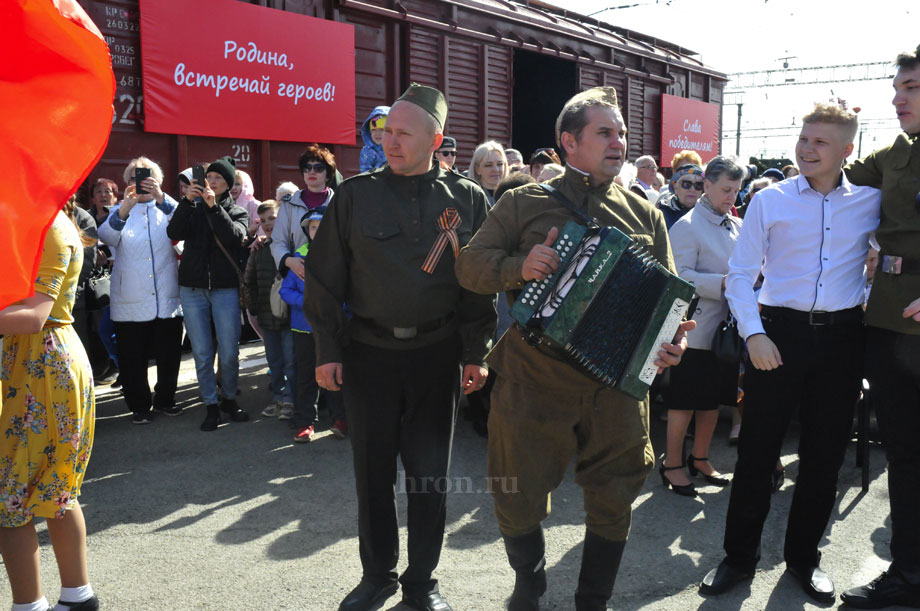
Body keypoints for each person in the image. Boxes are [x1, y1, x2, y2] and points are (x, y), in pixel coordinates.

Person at [455, 86, 694, 611]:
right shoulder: (522, 202)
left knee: (616, 495)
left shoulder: (645, 213)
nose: (619, 142)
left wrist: (671, 341)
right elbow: (469, 268)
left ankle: (593, 601)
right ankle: (529, 585)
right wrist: (519, 267)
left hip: (616, 386)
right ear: (570, 142)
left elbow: (671, 297)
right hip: (533, 379)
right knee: (515, 493)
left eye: (623, 133)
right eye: (605, 133)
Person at [303, 83, 495, 611]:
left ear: (435, 139)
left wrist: (477, 352)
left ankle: (421, 583)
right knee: (373, 474)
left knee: (429, 477)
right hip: (369, 354)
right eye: (387, 132)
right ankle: (378, 576)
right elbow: (323, 281)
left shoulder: (467, 198)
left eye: (404, 133)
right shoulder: (355, 195)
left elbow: (477, 285)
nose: (391, 141)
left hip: (437, 355)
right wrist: (327, 351)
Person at [700, 103, 881, 603]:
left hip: (843, 340)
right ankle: (738, 559)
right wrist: (754, 334)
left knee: (824, 459)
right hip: (776, 333)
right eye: (803, 138)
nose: (806, 148)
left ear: (848, 150)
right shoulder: (770, 200)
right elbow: (740, 275)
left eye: (821, 142)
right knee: (758, 455)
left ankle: (804, 560)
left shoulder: (870, 201)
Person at [840, 45, 920, 610]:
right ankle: (910, 571)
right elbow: (832, 175)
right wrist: (835, 126)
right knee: (905, 453)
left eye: (912, 87)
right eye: (897, 87)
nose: (898, 97)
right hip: (889, 322)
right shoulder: (893, 153)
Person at [0, 204, 99, 611]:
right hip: (44, 361)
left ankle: (30, 605)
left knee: (12, 495)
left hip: (41, 362)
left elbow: (35, 315)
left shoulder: (50, 227)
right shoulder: (48, 220)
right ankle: (77, 598)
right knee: (55, 489)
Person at [659, 156, 745, 497]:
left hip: (726, 330)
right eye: (726, 189)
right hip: (694, 330)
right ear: (706, 185)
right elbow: (679, 277)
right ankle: (672, 464)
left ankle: (700, 458)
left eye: (736, 191)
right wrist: (723, 284)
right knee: (683, 402)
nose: (732, 198)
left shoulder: (734, 225)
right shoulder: (687, 225)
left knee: (712, 401)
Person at [166, 156, 250, 431]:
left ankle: (229, 398)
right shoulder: (190, 207)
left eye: (217, 179)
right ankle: (211, 404)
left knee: (228, 352)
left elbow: (236, 238)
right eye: (207, 178)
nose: (210, 183)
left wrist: (214, 208)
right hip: (192, 288)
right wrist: (188, 203)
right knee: (201, 352)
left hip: (224, 289)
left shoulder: (237, 211)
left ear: (227, 186)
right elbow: (174, 231)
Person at [97, 157, 183, 424]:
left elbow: (185, 231)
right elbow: (107, 238)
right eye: (135, 177)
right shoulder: (118, 210)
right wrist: (124, 210)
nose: (141, 181)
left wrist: (162, 199)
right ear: (127, 182)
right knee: (132, 357)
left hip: (167, 295)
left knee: (169, 354)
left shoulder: (169, 207)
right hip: (130, 297)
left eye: (146, 176)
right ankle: (139, 406)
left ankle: (166, 400)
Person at [243, 200, 296, 422]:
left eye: (272, 218)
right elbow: (249, 281)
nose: (267, 224)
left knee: (291, 361)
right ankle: (278, 398)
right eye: (263, 220)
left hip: (290, 316)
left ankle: (291, 400)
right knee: (274, 361)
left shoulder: (292, 247)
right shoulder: (259, 250)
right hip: (266, 314)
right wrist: (253, 305)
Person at [270, 144, 336, 282]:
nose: (312, 172)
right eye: (307, 168)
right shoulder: (289, 205)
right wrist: (289, 261)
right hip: (294, 278)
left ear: (328, 174)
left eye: (318, 168)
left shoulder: (339, 203)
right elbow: (278, 241)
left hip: (330, 277)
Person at [657, 163, 704, 228]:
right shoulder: (661, 214)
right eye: (686, 184)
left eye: (698, 185)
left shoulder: (710, 215)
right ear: (675, 187)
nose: (692, 189)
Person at [359, 105, 390, 172]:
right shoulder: (368, 152)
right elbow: (365, 173)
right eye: (373, 130)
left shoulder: (396, 149)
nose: (377, 133)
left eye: (381, 130)